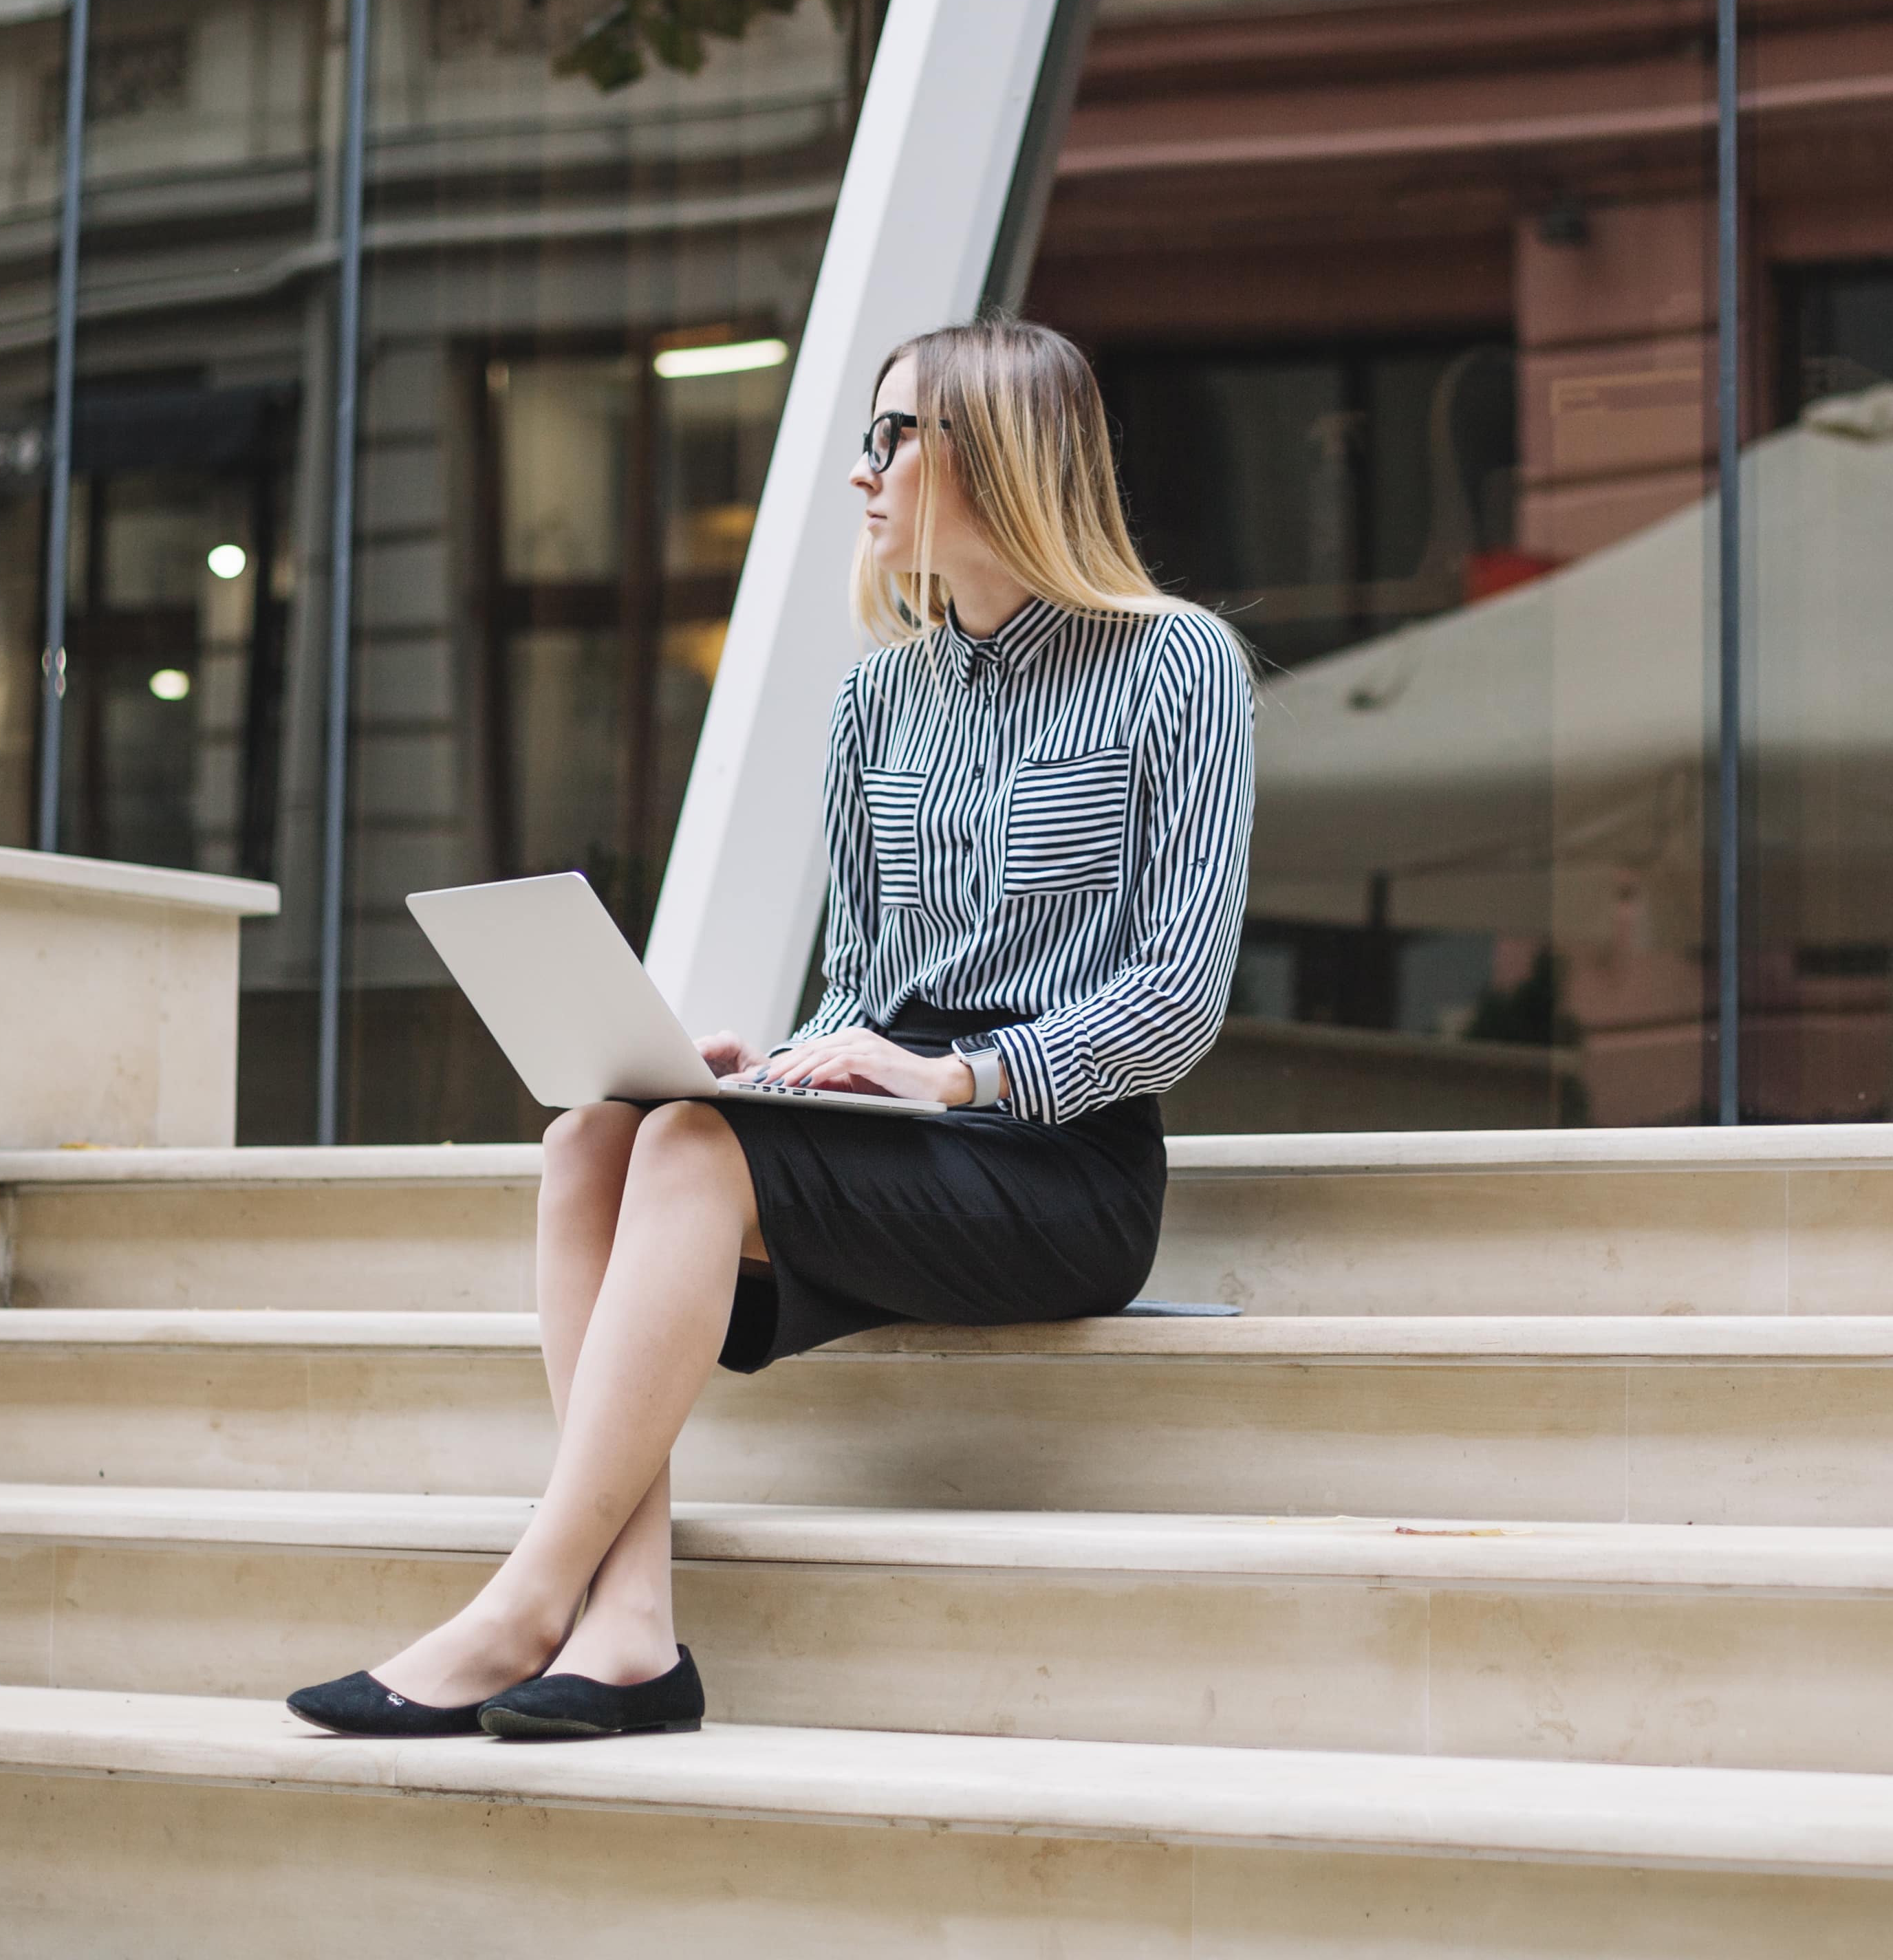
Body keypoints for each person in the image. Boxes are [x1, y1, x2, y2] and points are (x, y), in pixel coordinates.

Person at [287, 319, 1255, 1743]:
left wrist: (957, 1076)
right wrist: (796, 1063)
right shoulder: (879, 700)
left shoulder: (1179, 665)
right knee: (595, 1139)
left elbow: (1179, 994)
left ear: (999, 451)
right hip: (898, 1127)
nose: (862, 472)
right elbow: (867, 974)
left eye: (895, 434)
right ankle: (628, 1634)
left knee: (685, 1151)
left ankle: (523, 1606)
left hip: (1062, 1165)